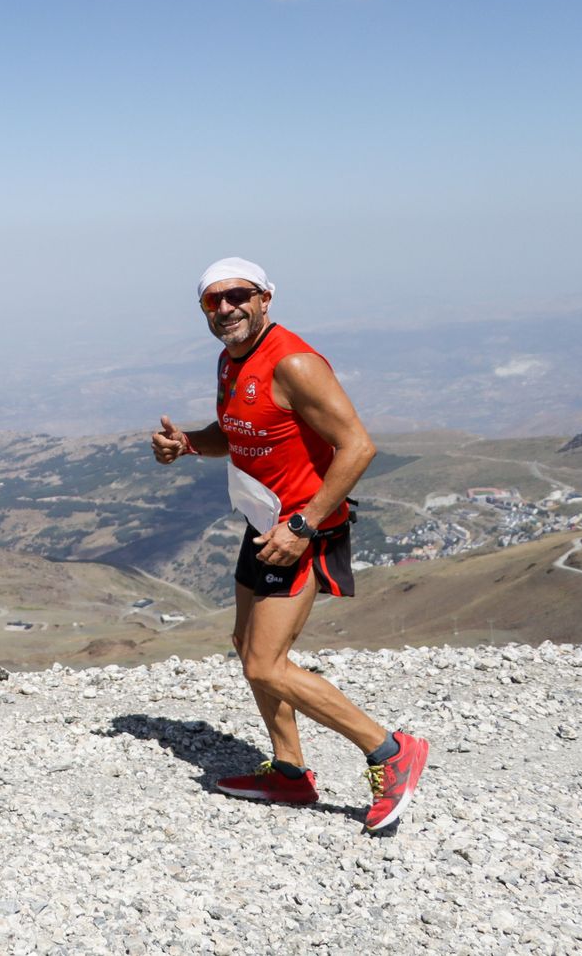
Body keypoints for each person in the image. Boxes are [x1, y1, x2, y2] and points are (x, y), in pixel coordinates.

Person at [151, 257, 427, 832]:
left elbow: (358, 447)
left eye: (238, 295)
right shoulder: (232, 361)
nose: (226, 308)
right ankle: (289, 772)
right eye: (212, 301)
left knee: (265, 663)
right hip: (264, 523)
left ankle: (389, 751)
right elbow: (236, 435)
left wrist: (304, 527)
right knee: (246, 644)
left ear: (266, 298)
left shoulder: (295, 363)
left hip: (303, 532)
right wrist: (188, 445)